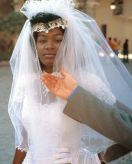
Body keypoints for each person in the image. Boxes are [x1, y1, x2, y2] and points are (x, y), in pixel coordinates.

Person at [8, 0, 132, 164]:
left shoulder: (86, 81)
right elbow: (23, 141)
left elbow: (127, 124)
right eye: (43, 40)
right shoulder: (25, 82)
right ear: (35, 44)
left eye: (58, 39)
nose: (49, 46)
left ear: (68, 42)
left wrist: (98, 159)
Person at [42, 69, 132, 150]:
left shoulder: (89, 80)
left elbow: (124, 125)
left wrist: (101, 159)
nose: (49, 49)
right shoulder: (29, 80)